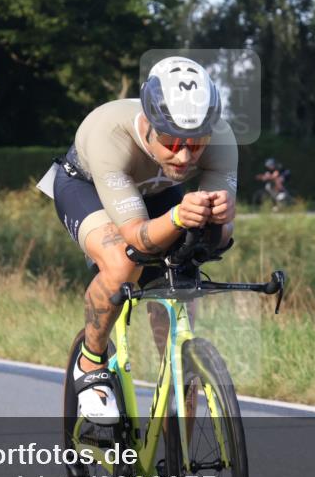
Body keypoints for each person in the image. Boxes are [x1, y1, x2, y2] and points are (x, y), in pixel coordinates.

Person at [38, 56, 238, 424]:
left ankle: (172, 471)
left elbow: (220, 239)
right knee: (122, 262)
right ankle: (91, 362)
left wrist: (220, 219)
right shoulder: (109, 135)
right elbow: (138, 240)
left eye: (195, 146)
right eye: (172, 141)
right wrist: (178, 216)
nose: (182, 156)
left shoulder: (221, 139)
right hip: (88, 188)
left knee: (183, 280)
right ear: (147, 123)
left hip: (159, 192)